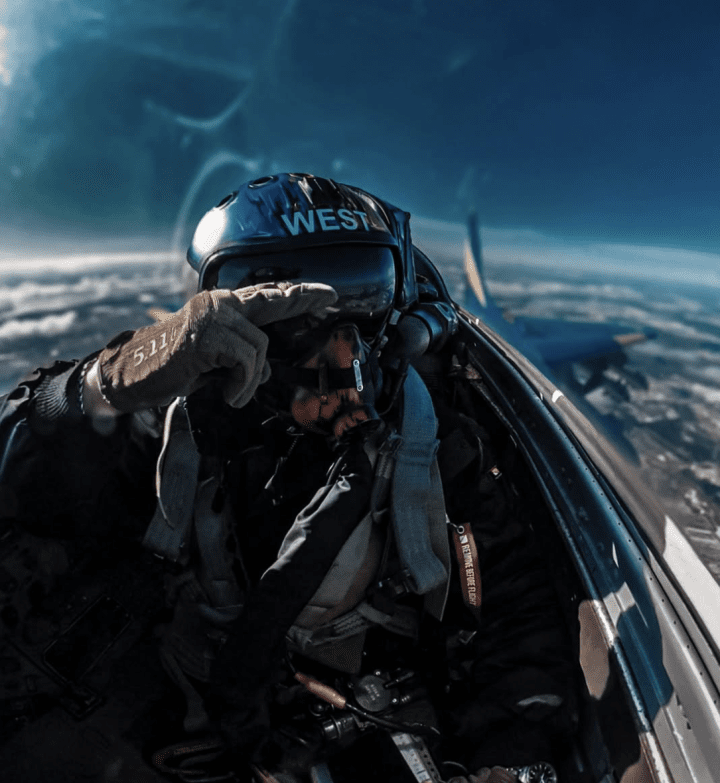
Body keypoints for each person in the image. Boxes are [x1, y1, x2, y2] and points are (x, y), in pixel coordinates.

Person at [0, 174, 571, 783]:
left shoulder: (433, 447)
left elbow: (518, 609)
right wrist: (103, 383)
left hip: (340, 709)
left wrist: (510, 752)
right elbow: (19, 486)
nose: (340, 347)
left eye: (362, 296)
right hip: (179, 690)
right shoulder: (172, 424)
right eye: (286, 310)